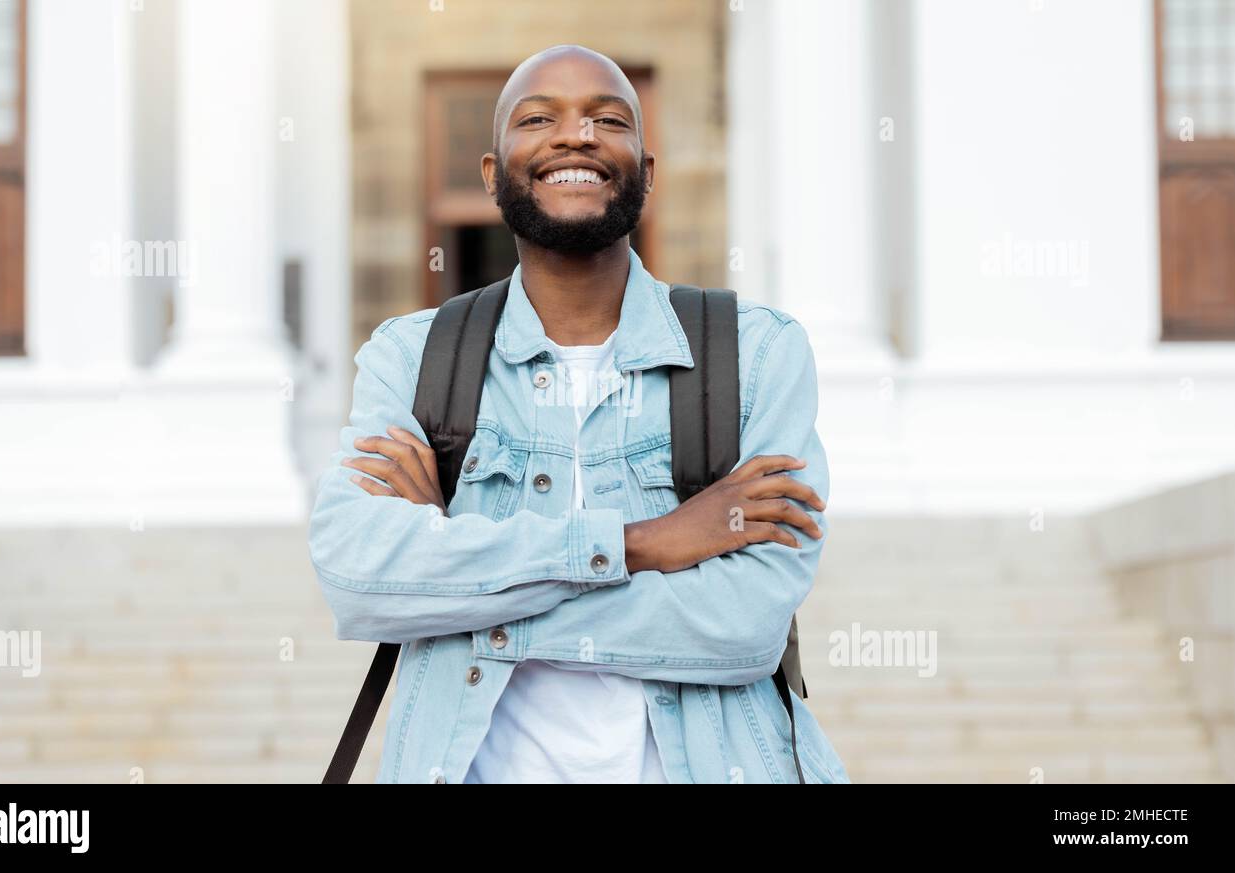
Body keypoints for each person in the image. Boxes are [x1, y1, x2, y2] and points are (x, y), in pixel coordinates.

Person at [308, 44, 848, 784]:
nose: (576, 135)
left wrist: (456, 583)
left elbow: (745, 627)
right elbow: (357, 575)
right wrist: (642, 543)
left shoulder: (754, 355)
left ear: (645, 172)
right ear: (494, 174)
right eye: (538, 117)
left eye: (608, 118)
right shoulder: (413, 358)